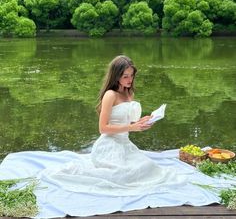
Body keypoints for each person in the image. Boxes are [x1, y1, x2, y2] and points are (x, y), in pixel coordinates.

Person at [0, 55, 223, 218]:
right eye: (125, 76)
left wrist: (142, 122)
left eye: (131, 76)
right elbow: (103, 128)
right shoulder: (110, 95)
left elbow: (128, 123)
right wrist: (131, 128)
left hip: (126, 145)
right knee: (121, 177)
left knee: (152, 170)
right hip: (109, 145)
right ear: (116, 75)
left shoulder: (129, 93)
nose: (129, 80)